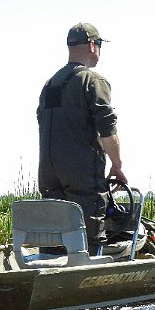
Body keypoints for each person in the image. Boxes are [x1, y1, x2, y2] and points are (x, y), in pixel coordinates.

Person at [37, 22, 127, 255]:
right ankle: (85, 281)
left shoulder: (50, 84)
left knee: (55, 234)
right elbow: (107, 128)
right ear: (92, 45)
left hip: (48, 173)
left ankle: (47, 275)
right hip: (81, 173)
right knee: (87, 234)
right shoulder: (92, 81)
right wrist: (117, 166)